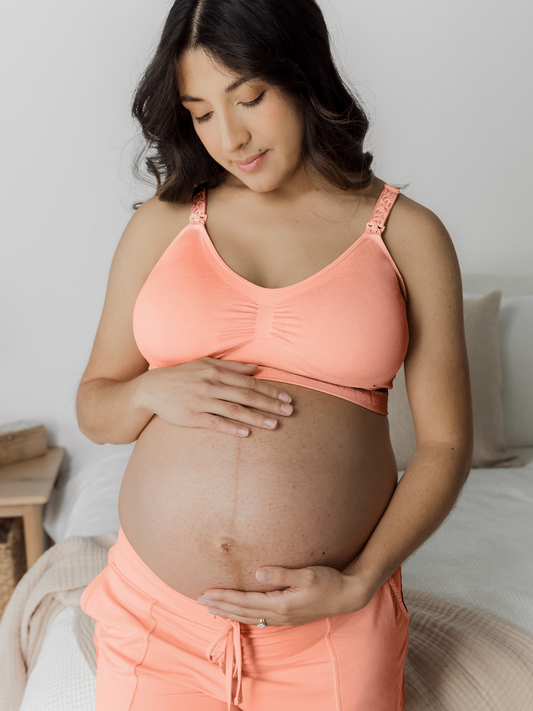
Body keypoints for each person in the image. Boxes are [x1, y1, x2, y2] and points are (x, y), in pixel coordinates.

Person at [77, 0, 473, 709]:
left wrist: (361, 580)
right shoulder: (163, 223)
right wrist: (148, 391)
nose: (229, 136)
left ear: (302, 76)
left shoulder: (406, 235)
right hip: (157, 619)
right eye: (200, 112)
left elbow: (444, 443)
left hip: (328, 629)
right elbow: (97, 405)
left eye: (249, 98)